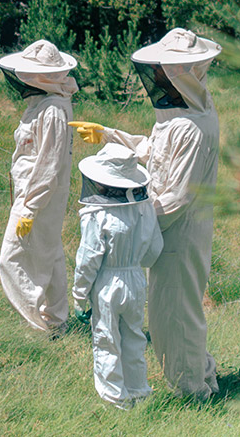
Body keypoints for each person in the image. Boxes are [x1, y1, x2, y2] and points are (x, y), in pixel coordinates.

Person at [70, 27, 222, 398]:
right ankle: (204, 379)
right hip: (167, 231)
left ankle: (192, 394)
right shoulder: (178, 116)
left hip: (180, 235)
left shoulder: (193, 127)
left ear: (178, 75)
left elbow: (178, 196)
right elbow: (154, 151)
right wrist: (108, 134)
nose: (153, 78)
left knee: (175, 318)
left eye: (160, 71)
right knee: (174, 312)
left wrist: (135, 223)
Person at [72, 143, 163, 408]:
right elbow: (154, 249)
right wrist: (135, 264)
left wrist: (79, 296)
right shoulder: (144, 208)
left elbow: (88, 259)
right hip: (136, 280)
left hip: (107, 282)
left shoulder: (96, 214)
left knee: (106, 340)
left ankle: (115, 400)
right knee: (134, 338)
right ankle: (138, 392)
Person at [0, 40, 77, 334]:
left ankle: (36, 326)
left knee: (11, 259)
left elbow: (48, 164)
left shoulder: (53, 110)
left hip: (38, 198)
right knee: (51, 251)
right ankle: (57, 320)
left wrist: (29, 207)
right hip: (39, 196)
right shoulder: (44, 104)